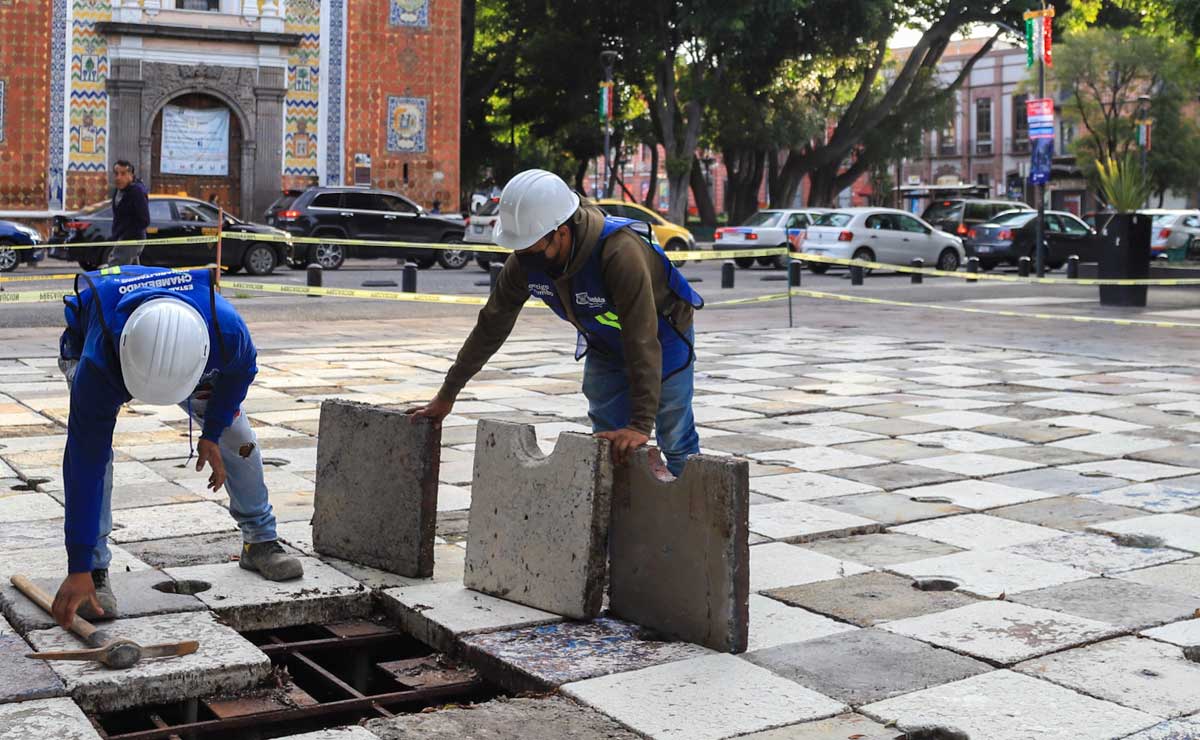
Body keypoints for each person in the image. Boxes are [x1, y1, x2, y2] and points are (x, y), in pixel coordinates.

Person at [52, 265, 303, 628]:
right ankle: (93, 570)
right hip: (106, 350)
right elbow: (84, 464)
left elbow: (240, 374)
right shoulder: (99, 363)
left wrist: (212, 434)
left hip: (188, 361)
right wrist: (77, 566)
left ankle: (260, 541)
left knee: (239, 437)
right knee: (96, 459)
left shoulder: (226, 331)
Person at [411, 169, 703, 476]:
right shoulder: (527, 259)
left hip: (662, 334)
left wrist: (642, 424)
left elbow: (641, 337)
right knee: (607, 439)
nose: (525, 259)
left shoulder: (619, 252)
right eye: (518, 250)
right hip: (604, 342)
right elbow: (491, 325)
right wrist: (447, 394)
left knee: (674, 433)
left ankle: (697, 516)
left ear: (562, 231)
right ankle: (619, 515)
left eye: (532, 249)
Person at [108, 160, 150, 266]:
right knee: (133, 272)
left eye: (123, 174)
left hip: (131, 239)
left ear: (131, 175)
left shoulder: (137, 192)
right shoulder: (118, 190)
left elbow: (144, 220)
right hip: (121, 237)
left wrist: (126, 236)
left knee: (115, 268)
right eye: (116, 174)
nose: (118, 177)